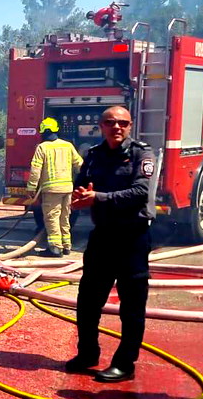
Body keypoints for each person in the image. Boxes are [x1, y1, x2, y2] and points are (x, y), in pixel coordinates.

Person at [66, 106, 154, 382]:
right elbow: (82, 184)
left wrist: (98, 198)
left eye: (123, 123)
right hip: (103, 235)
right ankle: (87, 353)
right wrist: (80, 194)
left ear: (130, 126)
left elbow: (140, 192)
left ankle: (125, 363)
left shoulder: (141, 154)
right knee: (88, 299)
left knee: (132, 305)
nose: (117, 127)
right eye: (111, 122)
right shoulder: (93, 155)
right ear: (101, 126)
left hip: (132, 237)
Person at [24, 117, 82, 257]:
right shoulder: (68, 145)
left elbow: (35, 169)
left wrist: (31, 188)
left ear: (43, 132)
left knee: (52, 218)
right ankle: (66, 246)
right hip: (67, 188)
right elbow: (80, 164)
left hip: (52, 190)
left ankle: (55, 248)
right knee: (64, 217)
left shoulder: (42, 147)